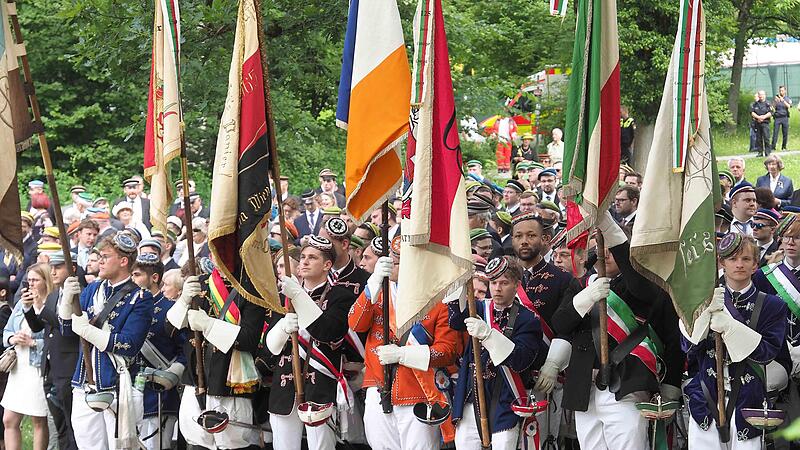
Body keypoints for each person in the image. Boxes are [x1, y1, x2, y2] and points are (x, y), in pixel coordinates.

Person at [552, 211, 684, 449]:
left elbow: (671, 336)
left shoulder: (645, 281)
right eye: (600, 246)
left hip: (626, 385)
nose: (604, 253)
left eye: (611, 248)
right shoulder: (582, 284)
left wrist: (670, 388)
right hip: (585, 386)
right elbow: (560, 323)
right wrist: (585, 299)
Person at [349, 238, 460, 449]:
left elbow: (447, 352)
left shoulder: (439, 299)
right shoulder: (379, 291)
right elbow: (355, 324)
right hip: (378, 386)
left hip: (419, 390)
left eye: (398, 262)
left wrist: (403, 355)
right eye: (391, 259)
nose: (391, 263)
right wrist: (371, 285)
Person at [682, 233, 788, 449]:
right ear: (722, 263)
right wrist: (703, 314)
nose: (739, 264)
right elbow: (687, 347)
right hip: (706, 399)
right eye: (732, 259)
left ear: (755, 265)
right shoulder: (701, 301)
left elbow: (766, 352)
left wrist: (730, 327)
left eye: (746, 259)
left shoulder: (773, 305)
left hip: (749, 403)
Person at [58, 232, 154, 449]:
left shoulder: (140, 298)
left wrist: (88, 331)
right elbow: (67, 330)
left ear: (123, 261)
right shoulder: (92, 290)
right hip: (85, 381)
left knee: (120, 445)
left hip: (117, 383)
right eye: (98, 256)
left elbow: (129, 344)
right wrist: (66, 302)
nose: (99, 261)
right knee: (87, 444)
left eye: (105, 257)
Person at [265, 236, 359, 450]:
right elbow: (270, 347)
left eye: (312, 258)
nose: (304, 262)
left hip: (321, 387)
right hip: (285, 387)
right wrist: (282, 328)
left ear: (327, 265)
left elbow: (328, 332)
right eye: (304, 257)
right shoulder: (284, 297)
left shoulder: (341, 296)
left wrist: (298, 295)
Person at [448, 256, 544, 450]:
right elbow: (455, 320)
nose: (497, 288)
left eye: (504, 283)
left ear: (517, 285)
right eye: (493, 282)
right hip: (472, 395)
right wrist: (458, 279)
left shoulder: (528, 319)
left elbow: (520, 361)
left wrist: (488, 335)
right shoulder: (480, 308)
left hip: (505, 398)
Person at [167, 266, 266, 449]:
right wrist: (183, 300)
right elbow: (170, 330)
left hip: (230, 382)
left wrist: (208, 325)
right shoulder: (200, 283)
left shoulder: (252, 287)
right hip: (195, 380)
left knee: (232, 442)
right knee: (196, 442)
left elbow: (248, 340)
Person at [23, 252, 80, 450]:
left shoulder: (79, 294)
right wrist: (29, 308)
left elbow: (67, 329)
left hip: (68, 367)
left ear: (72, 268)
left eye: (58, 267)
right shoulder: (55, 293)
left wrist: (39, 306)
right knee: (60, 425)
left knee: (73, 426)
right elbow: (40, 327)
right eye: (52, 267)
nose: (53, 271)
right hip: (50, 366)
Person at [130, 254, 185, 450]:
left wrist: (173, 373)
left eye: (136, 275)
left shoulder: (171, 310)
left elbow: (186, 350)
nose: (132, 279)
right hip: (130, 391)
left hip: (159, 394)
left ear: (154, 278)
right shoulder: (128, 307)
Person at [2, 264, 51, 450]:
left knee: (38, 419)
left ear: (45, 281)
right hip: (19, 366)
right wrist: (13, 338)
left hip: (38, 368)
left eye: (35, 280)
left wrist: (33, 343)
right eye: (28, 280)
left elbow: (54, 341)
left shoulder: (51, 304)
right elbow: (7, 331)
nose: (31, 284)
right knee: (9, 419)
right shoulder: (22, 303)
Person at [751, 90, 773, 156]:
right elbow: (752, 112)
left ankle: (767, 152)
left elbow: (770, 112)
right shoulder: (755, 104)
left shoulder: (768, 104)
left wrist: (763, 117)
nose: (761, 96)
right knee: (759, 138)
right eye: (760, 95)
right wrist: (758, 117)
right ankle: (760, 152)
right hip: (757, 123)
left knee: (766, 138)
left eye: (762, 95)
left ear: (765, 95)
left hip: (765, 123)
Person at [771, 85, 792, 152]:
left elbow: (789, 106)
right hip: (777, 117)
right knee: (775, 133)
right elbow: (772, 107)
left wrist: (783, 101)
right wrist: (775, 102)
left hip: (785, 117)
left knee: (785, 133)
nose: (781, 92)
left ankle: (784, 147)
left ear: (785, 91)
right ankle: (773, 147)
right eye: (780, 90)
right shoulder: (776, 98)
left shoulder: (787, 99)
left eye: (782, 90)